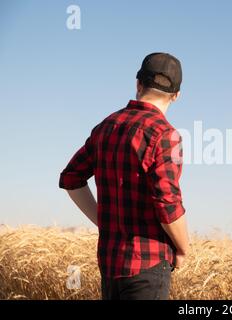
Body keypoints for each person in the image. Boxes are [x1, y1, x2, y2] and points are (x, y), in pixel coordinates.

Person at [59, 52, 189, 300]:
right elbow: (167, 203)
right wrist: (183, 248)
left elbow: (70, 178)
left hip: (110, 265)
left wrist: (102, 220)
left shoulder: (106, 127)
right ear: (176, 95)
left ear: (138, 84)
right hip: (148, 267)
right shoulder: (165, 135)